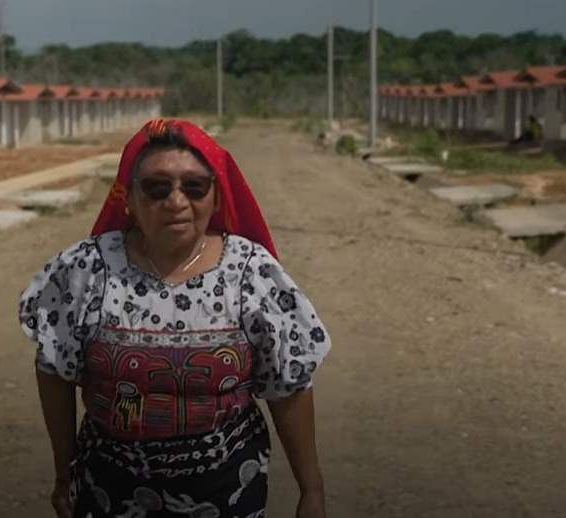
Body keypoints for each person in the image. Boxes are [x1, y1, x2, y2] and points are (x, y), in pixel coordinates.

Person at [18, 118, 333, 518]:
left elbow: (287, 384)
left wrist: (312, 489)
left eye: (194, 187)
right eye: (157, 187)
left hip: (225, 490)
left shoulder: (251, 272)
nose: (177, 201)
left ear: (216, 197)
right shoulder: (85, 268)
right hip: (109, 489)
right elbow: (54, 370)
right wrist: (64, 472)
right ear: (128, 198)